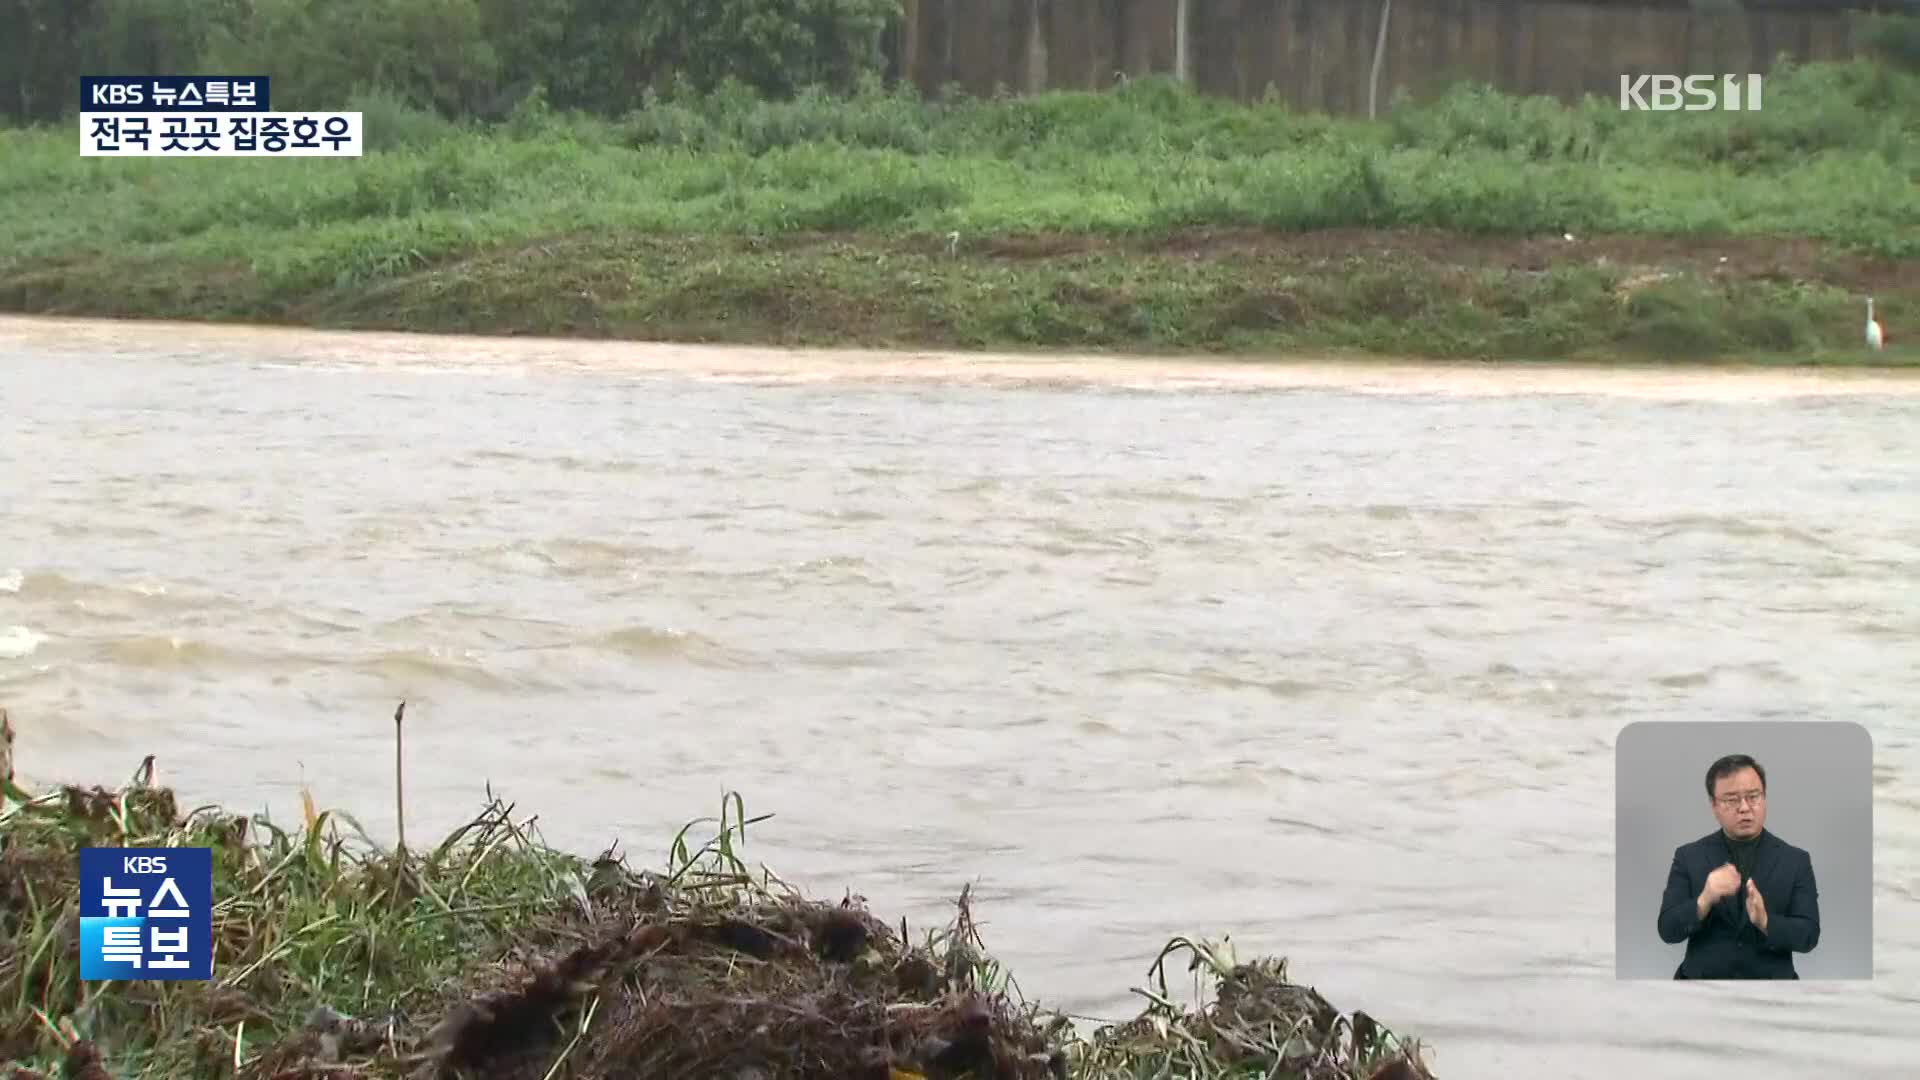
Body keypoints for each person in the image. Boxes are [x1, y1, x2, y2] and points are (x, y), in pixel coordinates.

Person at [1656, 754, 1821, 978]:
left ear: (1764, 798)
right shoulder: (1688, 856)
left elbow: (1809, 937)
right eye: (1731, 800)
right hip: (1700, 989)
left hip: (1772, 992)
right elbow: (1667, 930)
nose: (1744, 808)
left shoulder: (1796, 860)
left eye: (1753, 796)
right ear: (1714, 805)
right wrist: (1704, 900)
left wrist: (1765, 922)